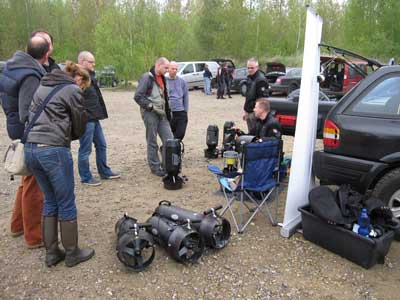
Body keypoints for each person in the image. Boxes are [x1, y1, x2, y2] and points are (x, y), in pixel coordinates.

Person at [24, 61, 95, 268]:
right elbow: (80, 124)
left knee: (50, 200)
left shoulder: (43, 85)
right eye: (84, 86)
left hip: (31, 149)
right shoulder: (72, 89)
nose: (82, 90)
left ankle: (52, 252)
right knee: (66, 202)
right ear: (79, 78)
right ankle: (72, 253)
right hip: (53, 150)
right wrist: (66, 138)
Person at [0, 36, 49, 248]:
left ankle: (17, 225)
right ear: (46, 53)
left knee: (26, 181)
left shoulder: (15, 67)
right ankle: (34, 236)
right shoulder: (30, 74)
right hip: (29, 133)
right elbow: (27, 111)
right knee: (34, 185)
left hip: (18, 130)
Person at [77, 51, 120, 186]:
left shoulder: (90, 76)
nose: (94, 64)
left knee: (101, 145)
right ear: (82, 62)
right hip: (85, 119)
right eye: (91, 62)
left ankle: (104, 171)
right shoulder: (78, 78)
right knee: (85, 149)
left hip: (94, 118)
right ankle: (85, 177)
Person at [134, 57, 174, 177]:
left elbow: (164, 97)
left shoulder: (163, 78)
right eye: (166, 68)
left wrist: (168, 112)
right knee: (152, 141)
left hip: (162, 114)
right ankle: (155, 167)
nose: (168, 70)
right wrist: (150, 107)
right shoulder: (147, 77)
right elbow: (138, 96)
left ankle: (168, 165)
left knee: (169, 139)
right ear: (158, 65)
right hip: (150, 114)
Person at [243, 58, 269, 133]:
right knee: (251, 134)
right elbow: (248, 96)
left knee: (256, 134)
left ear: (257, 67)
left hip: (255, 113)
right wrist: (245, 110)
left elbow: (262, 100)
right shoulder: (249, 78)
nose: (250, 70)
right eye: (248, 68)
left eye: (252, 68)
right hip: (249, 111)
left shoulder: (261, 80)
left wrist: (257, 113)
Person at [166, 61, 189, 140]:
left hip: (181, 111)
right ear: (168, 69)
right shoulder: (164, 81)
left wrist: (185, 111)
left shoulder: (182, 82)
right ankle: (169, 147)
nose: (175, 71)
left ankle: (172, 145)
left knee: (181, 132)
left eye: (176, 69)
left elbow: (186, 97)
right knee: (169, 132)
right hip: (169, 112)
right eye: (173, 69)